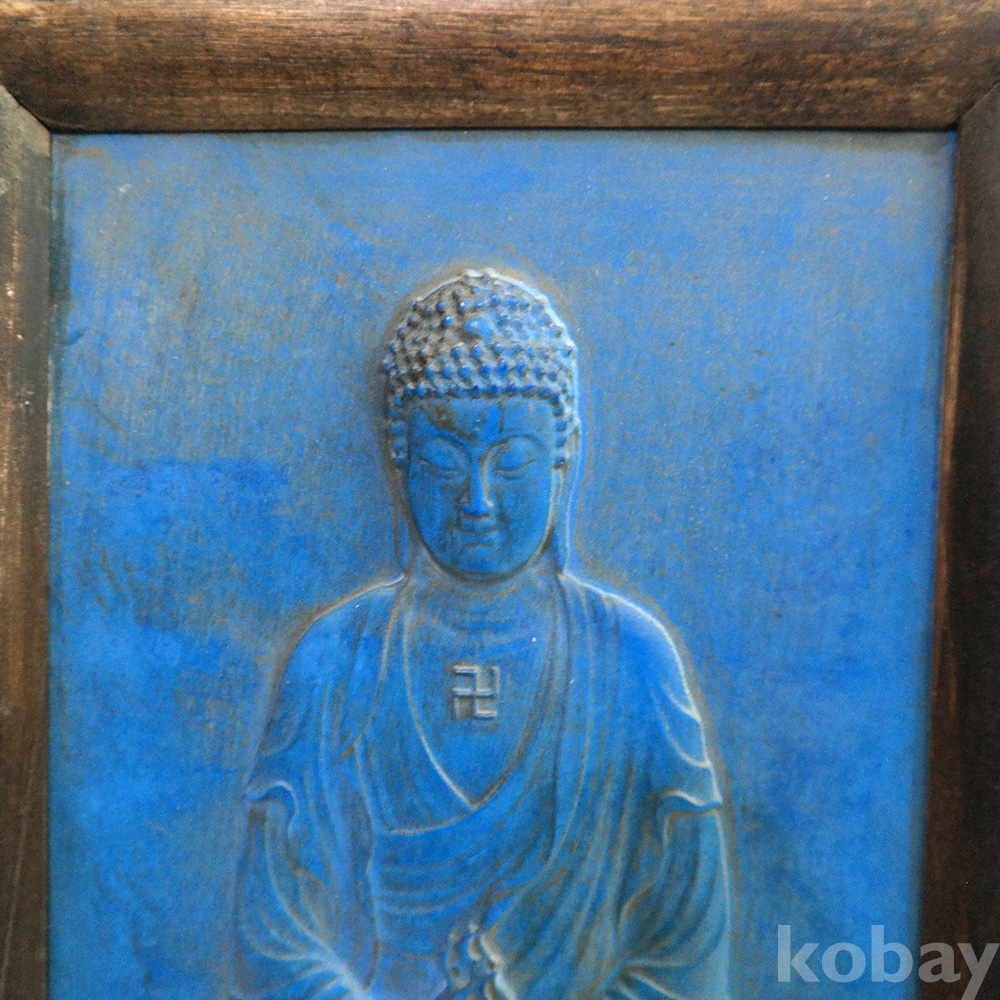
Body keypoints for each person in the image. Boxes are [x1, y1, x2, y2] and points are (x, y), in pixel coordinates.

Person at [234, 270, 733, 1000]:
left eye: (514, 464)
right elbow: (271, 944)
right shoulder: (337, 655)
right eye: (443, 464)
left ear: (564, 456)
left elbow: (688, 961)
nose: (477, 501)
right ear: (401, 462)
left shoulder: (632, 657)